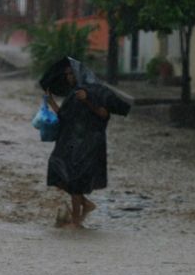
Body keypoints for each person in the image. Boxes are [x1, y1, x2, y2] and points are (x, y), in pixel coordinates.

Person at [42, 58, 130, 229]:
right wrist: (51, 102)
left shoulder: (96, 92)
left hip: (89, 143)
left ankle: (76, 223)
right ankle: (85, 205)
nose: (68, 77)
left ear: (78, 74)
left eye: (70, 74)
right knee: (56, 169)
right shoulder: (73, 93)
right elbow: (65, 117)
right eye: (66, 75)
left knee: (75, 182)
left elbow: (103, 114)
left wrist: (87, 101)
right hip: (71, 142)